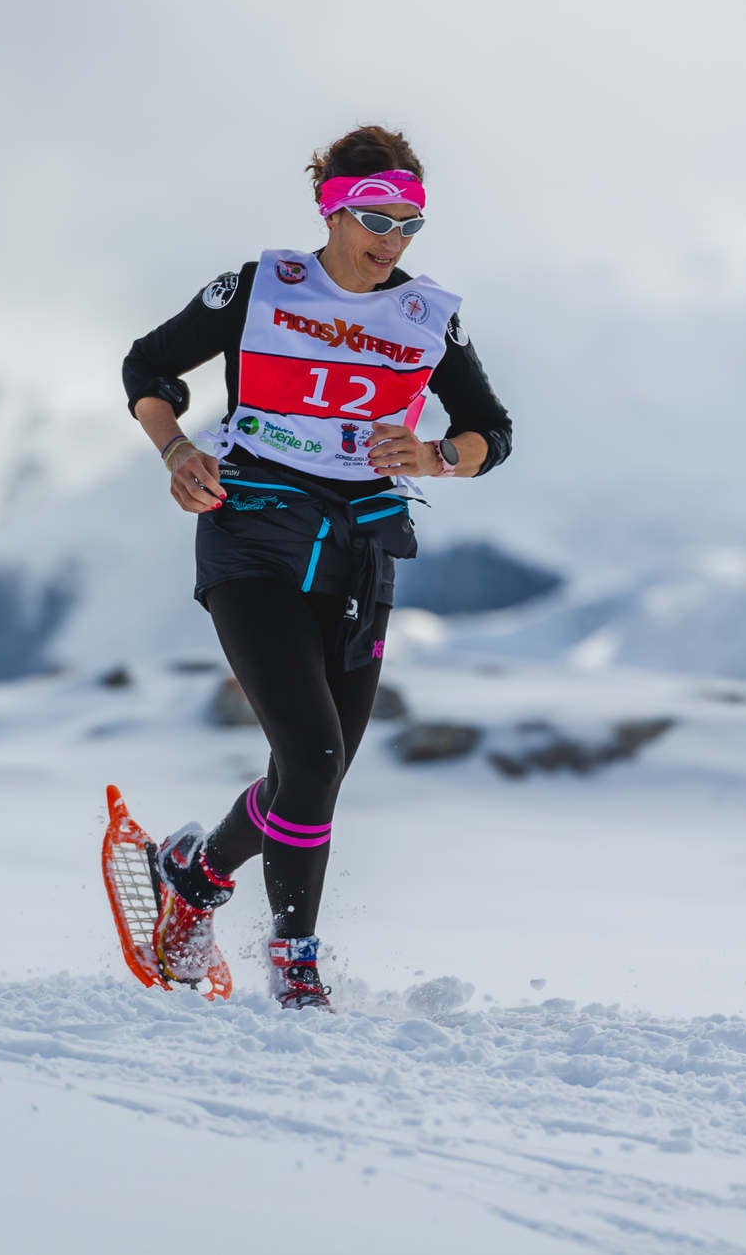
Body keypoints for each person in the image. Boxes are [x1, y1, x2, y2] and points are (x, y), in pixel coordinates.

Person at [120, 124, 513, 1009]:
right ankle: (295, 960)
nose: (394, 237)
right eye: (376, 216)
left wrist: (438, 457)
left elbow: (494, 428)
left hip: (357, 558)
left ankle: (193, 875)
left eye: (411, 220)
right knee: (312, 750)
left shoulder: (425, 315)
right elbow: (148, 363)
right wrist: (177, 448)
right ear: (332, 210)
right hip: (250, 536)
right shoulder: (257, 289)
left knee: (314, 777)